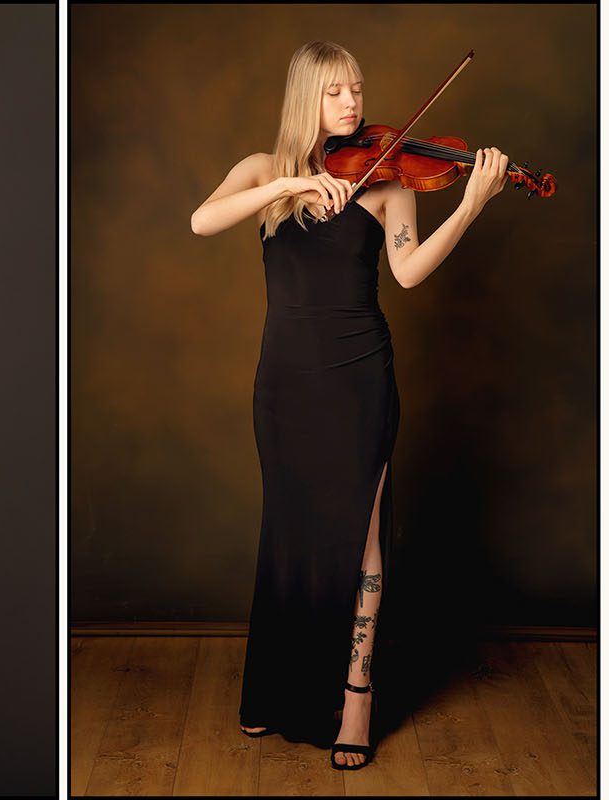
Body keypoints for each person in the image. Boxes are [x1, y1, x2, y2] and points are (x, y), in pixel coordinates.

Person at [188, 40, 508, 770]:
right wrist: (284, 191)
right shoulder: (262, 172)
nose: (354, 105)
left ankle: (356, 694)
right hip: (285, 382)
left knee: (361, 539)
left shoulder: (390, 180)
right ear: (307, 97)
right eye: (337, 92)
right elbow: (203, 222)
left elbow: (411, 271)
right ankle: (274, 686)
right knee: (290, 528)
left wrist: (471, 204)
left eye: (358, 90)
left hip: (358, 375)